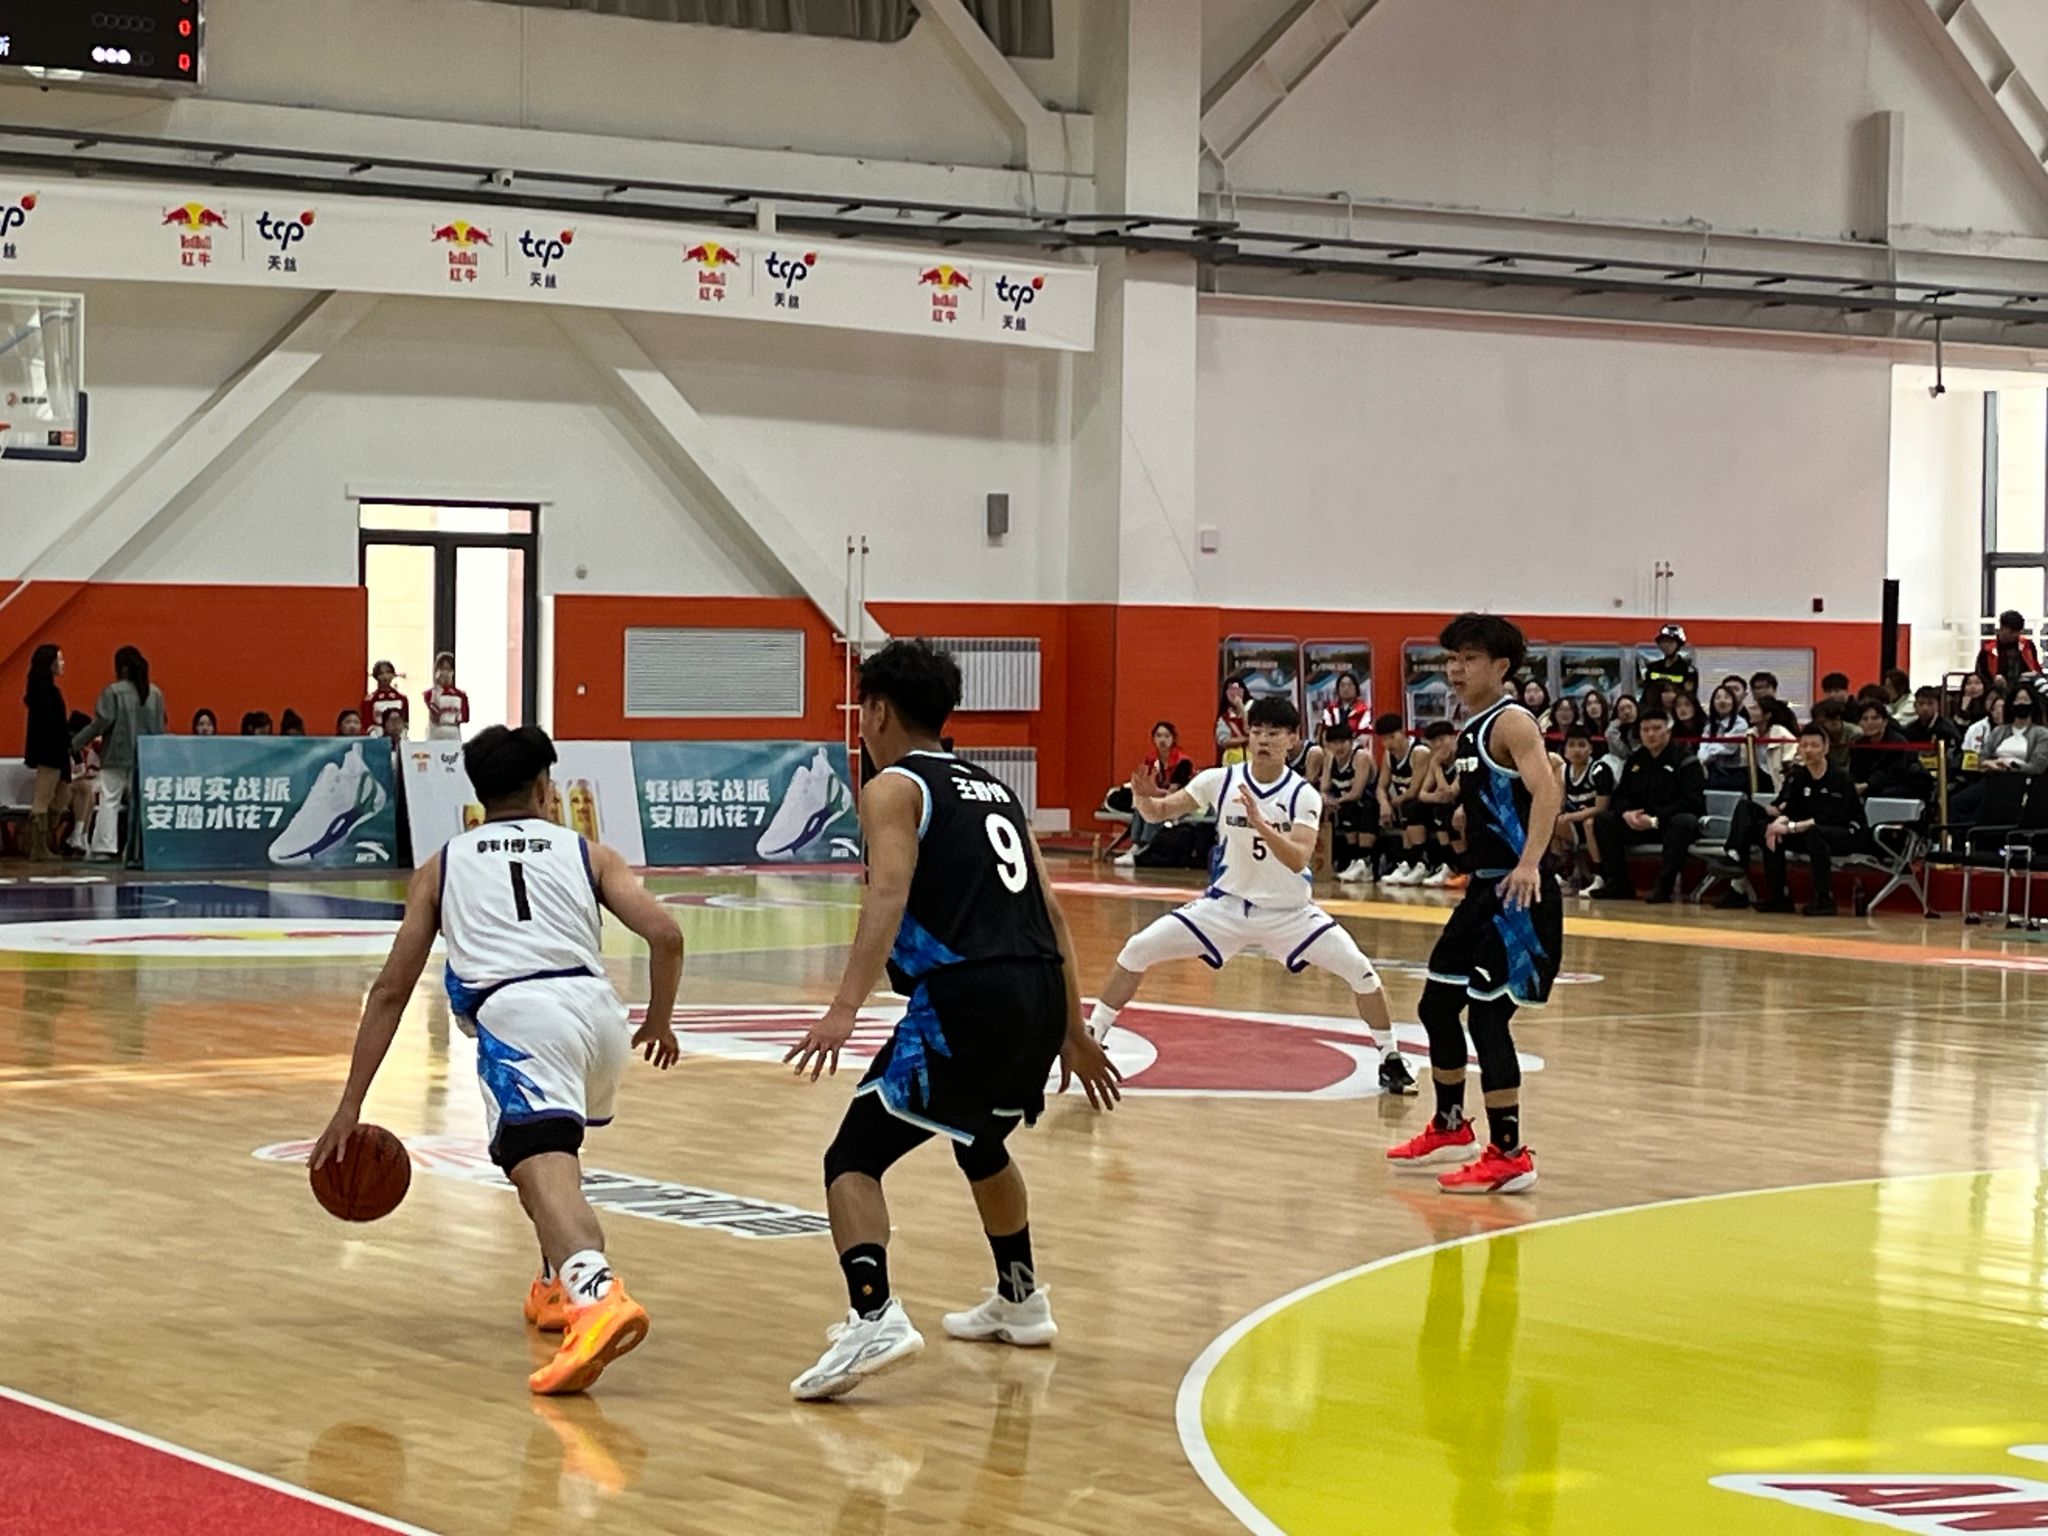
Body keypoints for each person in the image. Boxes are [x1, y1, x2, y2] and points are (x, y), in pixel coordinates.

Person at [782, 641, 1121, 1401]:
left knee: (852, 1158)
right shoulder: (996, 789)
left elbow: (888, 893)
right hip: (1037, 990)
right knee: (981, 1139)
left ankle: (873, 1316)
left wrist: (843, 1008)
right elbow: (1052, 911)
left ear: (876, 711)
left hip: (969, 997)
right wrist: (1072, 1029)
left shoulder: (893, 787)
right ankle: (1020, 1298)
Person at [310, 725, 684, 1395]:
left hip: (521, 1018)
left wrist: (350, 1104)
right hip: (599, 1016)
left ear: (479, 794)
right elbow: (666, 934)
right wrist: (658, 1019)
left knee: (542, 1169)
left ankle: (596, 1293)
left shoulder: (442, 866)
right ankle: (555, 1283)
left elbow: (391, 990)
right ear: (545, 789)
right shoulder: (589, 852)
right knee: (550, 1158)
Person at [1088, 691, 1417, 1098]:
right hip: (1224, 907)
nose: (1263, 739)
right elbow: (1160, 812)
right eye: (1257, 731)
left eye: (1274, 733)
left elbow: (1298, 858)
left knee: (1361, 971)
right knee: (1137, 949)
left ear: (1292, 740)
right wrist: (1143, 797)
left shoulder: (1302, 794)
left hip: (1290, 913)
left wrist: (1261, 824)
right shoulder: (1219, 780)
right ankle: (1093, 1034)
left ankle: (1390, 1057)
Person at [1385, 613, 1560, 1195]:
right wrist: (1465, 809)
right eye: (1451, 660)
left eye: (1469, 659)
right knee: (1438, 1005)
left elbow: (1547, 790)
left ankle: (1510, 1154)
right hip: (1484, 889)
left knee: (1487, 1017)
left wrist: (1529, 863)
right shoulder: (1473, 728)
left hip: (1518, 892)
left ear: (1500, 666)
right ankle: (1451, 1124)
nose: (1456, 670)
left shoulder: (1512, 720)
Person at [1720, 724, 1869, 916]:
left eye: (1814, 745)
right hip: (1808, 832)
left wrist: (1790, 827)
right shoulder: (1798, 776)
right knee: (1771, 833)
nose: (1809, 750)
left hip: (1846, 832)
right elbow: (1790, 809)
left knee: (1815, 832)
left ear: (1826, 748)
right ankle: (1778, 895)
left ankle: (1824, 899)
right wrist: (1776, 825)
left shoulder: (1840, 778)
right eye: (1804, 745)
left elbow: (1829, 818)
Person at [1590, 708, 1706, 904]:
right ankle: (1618, 883)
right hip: (1638, 822)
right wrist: (1627, 813)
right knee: (1604, 820)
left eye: (1656, 728)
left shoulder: (1686, 761)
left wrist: (1655, 819)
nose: (1651, 734)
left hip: (1667, 823)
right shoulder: (1636, 760)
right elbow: (1620, 795)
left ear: (1668, 731)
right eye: (1645, 730)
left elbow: (1691, 802)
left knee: (1684, 821)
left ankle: (1664, 886)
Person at [71, 646, 166, 862]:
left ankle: (104, 848)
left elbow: (101, 722)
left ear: (121, 667)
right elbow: (159, 727)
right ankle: (140, 849)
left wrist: (77, 742)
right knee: (141, 803)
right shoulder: (155, 693)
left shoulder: (113, 691)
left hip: (116, 754)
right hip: (145, 757)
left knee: (110, 800)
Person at [1112, 721, 1194, 869]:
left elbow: (1173, 792)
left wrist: (1153, 793)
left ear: (1173, 739)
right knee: (1143, 800)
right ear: (1153, 739)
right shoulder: (1151, 760)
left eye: (1166, 736)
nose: (1162, 740)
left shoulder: (1183, 762)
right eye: (1158, 736)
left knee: (1153, 804)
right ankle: (1136, 844)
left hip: (1181, 803)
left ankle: (1146, 845)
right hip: (1158, 800)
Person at [21, 644, 69, 863]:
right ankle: (38, 846)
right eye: (59, 659)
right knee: (43, 797)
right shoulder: (44, 692)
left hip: (54, 750)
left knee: (60, 795)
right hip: (49, 751)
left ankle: (46, 840)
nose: (62, 663)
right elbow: (50, 725)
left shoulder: (43, 690)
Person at [1552, 725, 1613, 893]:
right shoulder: (1563, 771)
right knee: (1550, 822)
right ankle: (1561, 872)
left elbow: (1602, 807)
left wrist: (1571, 817)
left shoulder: (1600, 769)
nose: (1576, 750)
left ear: (1590, 748)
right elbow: (1560, 803)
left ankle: (1599, 876)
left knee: (1589, 823)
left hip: (1599, 822)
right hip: (1575, 821)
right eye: (1571, 745)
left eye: (1581, 745)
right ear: (1565, 751)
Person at [1321, 721, 1381, 884]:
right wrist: (1326, 800)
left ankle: (1366, 862)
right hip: (1345, 805)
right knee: (1339, 809)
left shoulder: (1361, 756)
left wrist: (1335, 801)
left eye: (1343, 742)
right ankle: (1353, 861)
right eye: (1334, 743)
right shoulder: (1330, 758)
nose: (1339, 747)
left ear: (1351, 741)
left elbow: (1356, 793)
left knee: (1356, 807)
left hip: (1370, 804)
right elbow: (1324, 788)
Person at [1411, 721, 1465, 888]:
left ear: (1453, 738)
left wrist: (1436, 767)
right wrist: (1437, 796)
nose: (1439, 745)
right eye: (1434, 742)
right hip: (1448, 806)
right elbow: (1422, 794)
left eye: (1442, 740)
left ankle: (1463, 868)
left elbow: (1450, 793)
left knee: (1445, 810)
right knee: (1415, 808)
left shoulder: (1462, 759)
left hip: (1467, 804)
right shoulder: (1437, 762)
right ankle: (1422, 862)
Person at [1378, 712, 1430, 883]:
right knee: (1372, 807)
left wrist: (1392, 804)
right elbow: (1381, 786)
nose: (1388, 743)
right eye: (1384, 739)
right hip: (1404, 803)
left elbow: (1414, 791)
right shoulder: (1388, 756)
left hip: (1427, 803)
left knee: (1411, 806)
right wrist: (1384, 804)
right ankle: (1406, 862)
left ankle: (1421, 863)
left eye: (1392, 737)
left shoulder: (1419, 752)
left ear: (1403, 732)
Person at [1850, 699, 1931, 801]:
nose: (1870, 722)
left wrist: (1867, 784)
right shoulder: (1859, 744)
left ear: (1885, 721)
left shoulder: (1898, 743)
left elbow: (1895, 773)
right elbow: (1855, 771)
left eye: (1875, 718)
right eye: (1865, 719)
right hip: (1871, 788)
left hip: (1900, 788)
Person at [1903, 685, 1963, 780]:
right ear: (1915, 706)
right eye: (1921, 703)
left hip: (1943, 774)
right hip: (1917, 773)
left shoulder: (1947, 729)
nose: (1925, 708)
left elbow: (1955, 756)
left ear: (1938, 706)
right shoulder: (1910, 729)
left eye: (1930, 704)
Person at [1698, 684, 1748, 790]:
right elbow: (1703, 746)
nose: (1722, 701)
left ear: (1733, 702)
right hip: (1712, 771)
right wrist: (1702, 759)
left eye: (1727, 697)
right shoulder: (1710, 725)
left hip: (1733, 773)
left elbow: (1728, 747)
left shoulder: (1740, 723)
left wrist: (1707, 754)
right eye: (1718, 698)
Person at [1978, 610, 2042, 688]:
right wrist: (1994, 681)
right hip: (1996, 690)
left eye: (2018, 632)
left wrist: (2033, 675)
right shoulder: (1988, 650)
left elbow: (2037, 670)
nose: (2015, 635)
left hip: (2025, 689)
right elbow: (1980, 676)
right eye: (2012, 632)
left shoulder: (2027, 646)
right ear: (2002, 628)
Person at [424, 652, 471, 742]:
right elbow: (434, 714)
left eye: (448, 669)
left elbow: (465, 718)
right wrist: (437, 689)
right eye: (442, 669)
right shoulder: (429, 693)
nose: (445, 673)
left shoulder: (461, 695)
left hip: (453, 733)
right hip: (435, 734)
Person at [1642, 624, 1698, 697]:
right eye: (1664, 641)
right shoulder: (1652, 668)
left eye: (1670, 641)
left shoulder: (1687, 671)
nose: (1666, 645)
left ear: (1678, 644)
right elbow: (1646, 695)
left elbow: (1689, 697)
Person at [364, 660, 409, 735]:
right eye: (381, 673)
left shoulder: (401, 698)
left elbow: (405, 721)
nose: (385, 676)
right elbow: (367, 723)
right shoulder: (370, 700)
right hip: (378, 735)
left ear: (393, 675)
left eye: (388, 672)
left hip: (398, 734)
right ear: (376, 676)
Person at [1214, 678, 1249, 767]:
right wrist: (1246, 739)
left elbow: (1249, 730)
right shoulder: (1224, 718)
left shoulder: (1252, 708)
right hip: (1232, 764)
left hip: (1253, 762)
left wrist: (1242, 710)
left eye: (1238, 689)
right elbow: (1224, 741)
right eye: (1231, 690)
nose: (1235, 693)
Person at [1605, 693, 1640, 762]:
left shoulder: (1646, 724)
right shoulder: (1617, 730)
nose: (1626, 712)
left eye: (1629, 707)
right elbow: (1622, 756)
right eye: (1622, 709)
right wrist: (1614, 726)